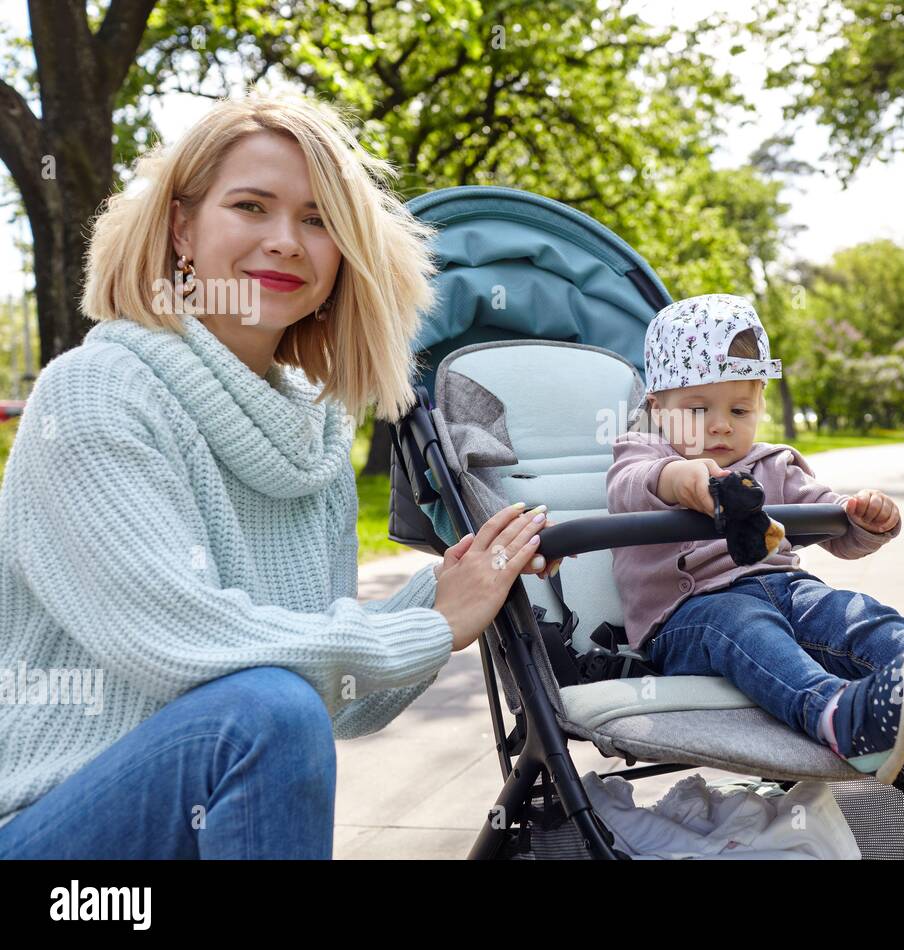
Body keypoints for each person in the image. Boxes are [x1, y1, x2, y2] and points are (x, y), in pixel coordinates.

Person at [0, 94, 563, 859]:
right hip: (55, 841)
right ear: (181, 229)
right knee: (268, 709)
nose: (285, 242)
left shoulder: (313, 433)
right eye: (251, 206)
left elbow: (339, 702)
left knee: (279, 707)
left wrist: (452, 588)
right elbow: (182, 643)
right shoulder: (97, 393)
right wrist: (428, 624)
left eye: (317, 218)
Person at [606, 295, 904, 785]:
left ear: (761, 406)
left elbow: (831, 523)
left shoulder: (773, 464)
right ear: (657, 409)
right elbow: (632, 486)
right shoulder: (643, 452)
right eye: (698, 409)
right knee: (741, 623)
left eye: (740, 408)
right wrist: (684, 479)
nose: (722, 425)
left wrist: (864, 518)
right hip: (688, 619)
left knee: (859, 613)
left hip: (785, 590)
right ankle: (838, 717)